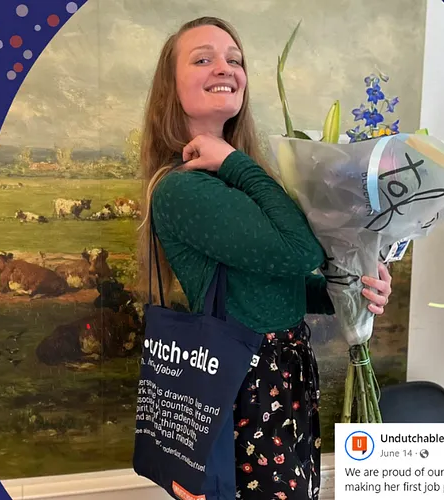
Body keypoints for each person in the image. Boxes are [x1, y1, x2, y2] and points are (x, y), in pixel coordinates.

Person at [137, 17, 393, 500]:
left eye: (234, 59)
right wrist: (235, 161)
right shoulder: (185, 188)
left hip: (280, 376)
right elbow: (301, 251)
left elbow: (273, 285)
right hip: (246, 389)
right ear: (170, 86)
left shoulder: (229, 176)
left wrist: (350, 289)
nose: (225, 68)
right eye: (203, 58)